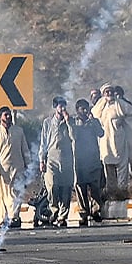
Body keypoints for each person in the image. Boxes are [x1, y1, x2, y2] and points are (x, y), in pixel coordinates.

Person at [0, 106, 30, 229]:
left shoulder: (19, 131)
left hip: (17, 168)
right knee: (2, 195)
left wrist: (28, 165)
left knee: (16, 193)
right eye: (6, 114)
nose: (8, 116)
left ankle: (14, 217)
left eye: (9, 114)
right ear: (0, 117)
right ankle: (3, 219)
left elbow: (25, 149)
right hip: (1, 171)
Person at [92, 82, 132, 195]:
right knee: (108, 166)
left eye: (110, 91)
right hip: (105, 141)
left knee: (122, 165)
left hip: (119, 140)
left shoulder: (120, 104)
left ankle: (122, 190)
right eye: (106, 91)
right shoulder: (99, 107)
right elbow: (93, 117)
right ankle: (111, 191)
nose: (109, 93)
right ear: (103, 94)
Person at [39, 96, 75, 227]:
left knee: (66, 188)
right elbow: (43, 143)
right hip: (51, 158)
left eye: (64, 105)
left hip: (66, 158)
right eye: (60, 106)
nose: (62, 108)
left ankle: (62, 216)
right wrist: (41, 160)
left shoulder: (70, 121)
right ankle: (53, 210)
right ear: (55, 107)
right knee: (52, 186)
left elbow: (74, 137)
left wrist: (68, 121)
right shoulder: (48, 122)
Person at [71, 98, 105, 226]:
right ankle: (84, 213)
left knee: (95, 187)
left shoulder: (94, 121)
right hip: (79, 161)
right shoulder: (73, 123)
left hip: (93, 160)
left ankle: (96, 211)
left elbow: (101, 133)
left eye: (87, 108)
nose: (85, 111)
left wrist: (93, 122)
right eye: (82, 109)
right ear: (77, 110)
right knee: (81, 188)